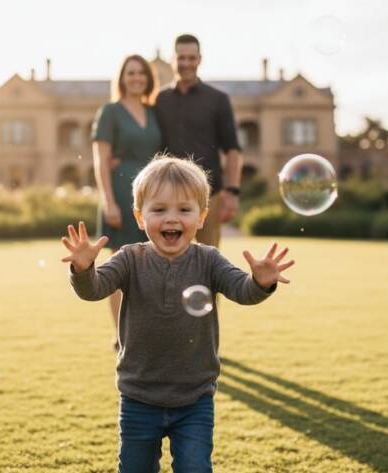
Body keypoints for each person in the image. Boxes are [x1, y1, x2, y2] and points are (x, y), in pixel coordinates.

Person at [61, 155, 294, 472]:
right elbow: (93, 289)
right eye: (159, 210)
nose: (172, 218)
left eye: (184, 210)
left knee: (195, 468)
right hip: (138, 396)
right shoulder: (130, 258)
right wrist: (84, 268)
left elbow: (242, 290)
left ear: (201, 217)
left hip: (195, 399)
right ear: (140, 218)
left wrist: (260, 282)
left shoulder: (209, 260)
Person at [92, 54, 162, 351]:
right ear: (122, 78)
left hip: (152, 196)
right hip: (120, 194)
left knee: (149, 265)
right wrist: (109, 201)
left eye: (141, 73)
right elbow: (100, 159)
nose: (136, 78)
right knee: (119, 266)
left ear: (148, 78)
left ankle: (145, 331)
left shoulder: (153, 112)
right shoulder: (110, 111)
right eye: (130, 73)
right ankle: (120, 335)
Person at [155, 34, 243, 248]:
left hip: (208, 195)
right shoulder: (157, 99)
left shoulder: (218, 99)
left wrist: (231, 192)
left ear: (199, 59)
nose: (186, 63)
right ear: (172, 59)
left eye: (191, 58)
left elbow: (233, 149)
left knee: (208, 259)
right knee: (168, 260)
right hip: (167, 194)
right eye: (181, 58)